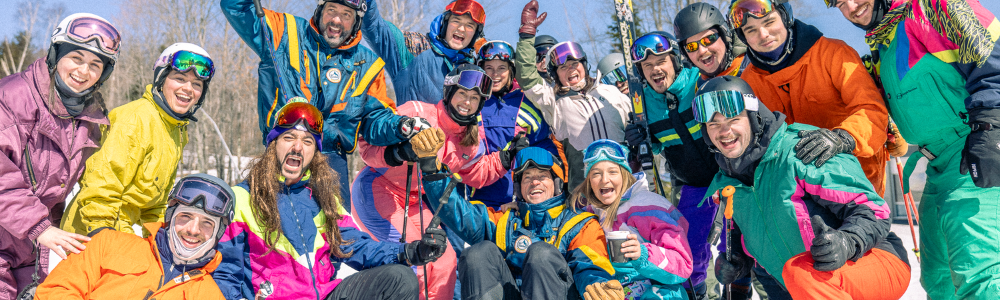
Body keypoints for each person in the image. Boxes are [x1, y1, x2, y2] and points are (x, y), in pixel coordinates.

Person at [826, 0, 1000, 298]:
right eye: (841, 4)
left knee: (978, 271)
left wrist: (990, 126)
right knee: (938, 278)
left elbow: (990, 55)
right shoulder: (882, 46)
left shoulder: (933, 8)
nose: (852, 7)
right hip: (938, 167)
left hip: (972, 151)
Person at [695, 76, 910, 299]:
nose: (724, 131)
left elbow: (875, 211)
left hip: (873, 259)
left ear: (753, 117)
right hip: (801, 285)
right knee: (788, 276)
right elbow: (754, 233)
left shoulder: (800, 152)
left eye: (733, 120)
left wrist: (847, 241)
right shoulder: (729, 181)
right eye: (714, 124)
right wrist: (739, 261)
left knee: (799, 274)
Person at [212, 100, 444, 300]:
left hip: (324, 294)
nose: (297, 147)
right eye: (289, 138)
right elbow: (225, 272)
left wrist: (409, 252)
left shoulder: (323, 197)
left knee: (399, 279)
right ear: (273, 145)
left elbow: (355, 245)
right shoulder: (241, 198)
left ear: (315, 153)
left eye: (308, 142)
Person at [222, 0, 415, 208]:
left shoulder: (369, 65)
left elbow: (376, 120)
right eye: (331, 10)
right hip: (282, 150)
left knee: (336, 227)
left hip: (331, 163)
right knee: (268, 222)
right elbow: (236, 8)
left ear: (357, 21)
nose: (336, 20)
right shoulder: (284, 31)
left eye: (346, 14)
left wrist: (402, 127)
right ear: (320, 9)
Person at [352, 65, 510, 300]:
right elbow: (367, 145)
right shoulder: (417, 112)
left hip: (414, 201)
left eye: (474, 98)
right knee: (414, 263)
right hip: (377, 189)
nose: (467, 102)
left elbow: (474, 172)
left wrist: (505, 160)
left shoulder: (468, 140)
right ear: (449, 93)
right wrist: (399, 152)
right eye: (462, 94)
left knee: (444, 260)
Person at [0, 12, 118, 298]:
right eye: (76, 58)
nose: (84, 71)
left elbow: (55, 190)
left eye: (95, 65)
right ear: (56, 55)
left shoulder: (88, 121)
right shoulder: (13, 97)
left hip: (27, 250)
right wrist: (39, 227)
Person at [727, 0, 890, 196]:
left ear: (785, 17)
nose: (763, 34)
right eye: (751, 30)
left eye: (769, 22)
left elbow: (872, 110)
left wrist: (843, 138)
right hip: (795, 193)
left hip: (854, 183)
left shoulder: (833, 54)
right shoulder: (749, 82)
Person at [419, 145, 623, 300]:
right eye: (527, 178)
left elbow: (590, 265)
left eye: (542, 176)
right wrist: (431, 169)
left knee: (541, 254)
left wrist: (598, 284)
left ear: (557, 184)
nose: (534, 182)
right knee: (478, 253)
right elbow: (458, 213)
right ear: (519, 188)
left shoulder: (579, 224)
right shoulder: (505, 221)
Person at [60, 43, 213, 237]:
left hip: (121, 228)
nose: (188, 88)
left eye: (197, 84)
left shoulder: (174, 130)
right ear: (161, 80)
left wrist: (161, 240)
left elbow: (155, 203)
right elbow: (100, 191)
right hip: (91, 231)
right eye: (180, 79)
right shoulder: (134, 119)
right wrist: (109, 238)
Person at [618, 32, 727, 300]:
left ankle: (741, 289)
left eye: (661, 61)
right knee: (690, 245)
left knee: (736, 243)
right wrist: (641, 139)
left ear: (675, 61)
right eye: (647, 65)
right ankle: (697, 293)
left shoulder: (697, 82)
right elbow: (656, 146)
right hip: (692, 184)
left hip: (727, 175)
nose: (655, 69)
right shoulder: (644, 102)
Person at [36, 174, 234, 299]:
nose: (193, 230)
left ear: (217, 233)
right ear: (170, 217)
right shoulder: (107, 244)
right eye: (186, 216)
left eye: (207, 223)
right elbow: (55, 291)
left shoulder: (210, 295)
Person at [515, 0, 633, 191]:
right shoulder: (554, 103)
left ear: (584, 66)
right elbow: (527, 76)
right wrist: (527, 34)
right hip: (585, 189)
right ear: (556, 76)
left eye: (574, 64)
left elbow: (637, 123)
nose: (570, 69)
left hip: (624, 183)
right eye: (563, 67)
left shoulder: (611, 92)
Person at [577, 139, 693, 300]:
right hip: (616, 290)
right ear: (589, 181)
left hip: (657, 291)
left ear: (625, 175)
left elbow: (683, 265)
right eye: (596, 173)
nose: (604, 179)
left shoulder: (649, 207)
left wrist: (643, 254)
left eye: (612, 172)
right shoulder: (588, 216)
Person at [470, 40, 558, 209]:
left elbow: (544, 145)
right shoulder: (472, 102)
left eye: (501, 68)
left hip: (520, 198)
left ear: (511, 70)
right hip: (479, 198)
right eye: (489, 68)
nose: (495, 74)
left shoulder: (527, 101)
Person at [361, 0, 486, 105]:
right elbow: (374, 27)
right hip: (412, 126)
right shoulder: (414, 46)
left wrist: (484, 48)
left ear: (475, 35)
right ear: (445, 23)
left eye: (469, 26)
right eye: (456, 21)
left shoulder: (473, 70)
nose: (461, 28)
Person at [674, 2, 751, 86]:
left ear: (725, 36)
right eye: (691, 46)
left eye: (708, 39)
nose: (702, 51)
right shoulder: (698, 86)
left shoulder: (753, 67)